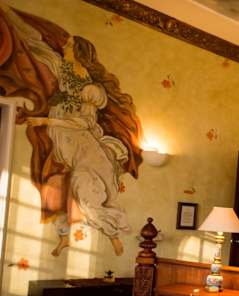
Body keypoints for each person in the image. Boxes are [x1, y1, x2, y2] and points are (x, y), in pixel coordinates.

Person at [0, 6, 142, 256]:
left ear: (78, 52)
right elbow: (35, 42)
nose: (64, 44)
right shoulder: (62, 65)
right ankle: (70, 234)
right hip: (64, 132)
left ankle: (108, 234)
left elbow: (84, 123)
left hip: (74, 134)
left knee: (79, 183)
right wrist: (10, 15)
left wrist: (45, 121)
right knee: (56, 179)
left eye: (70, 44)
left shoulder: (90, 87)